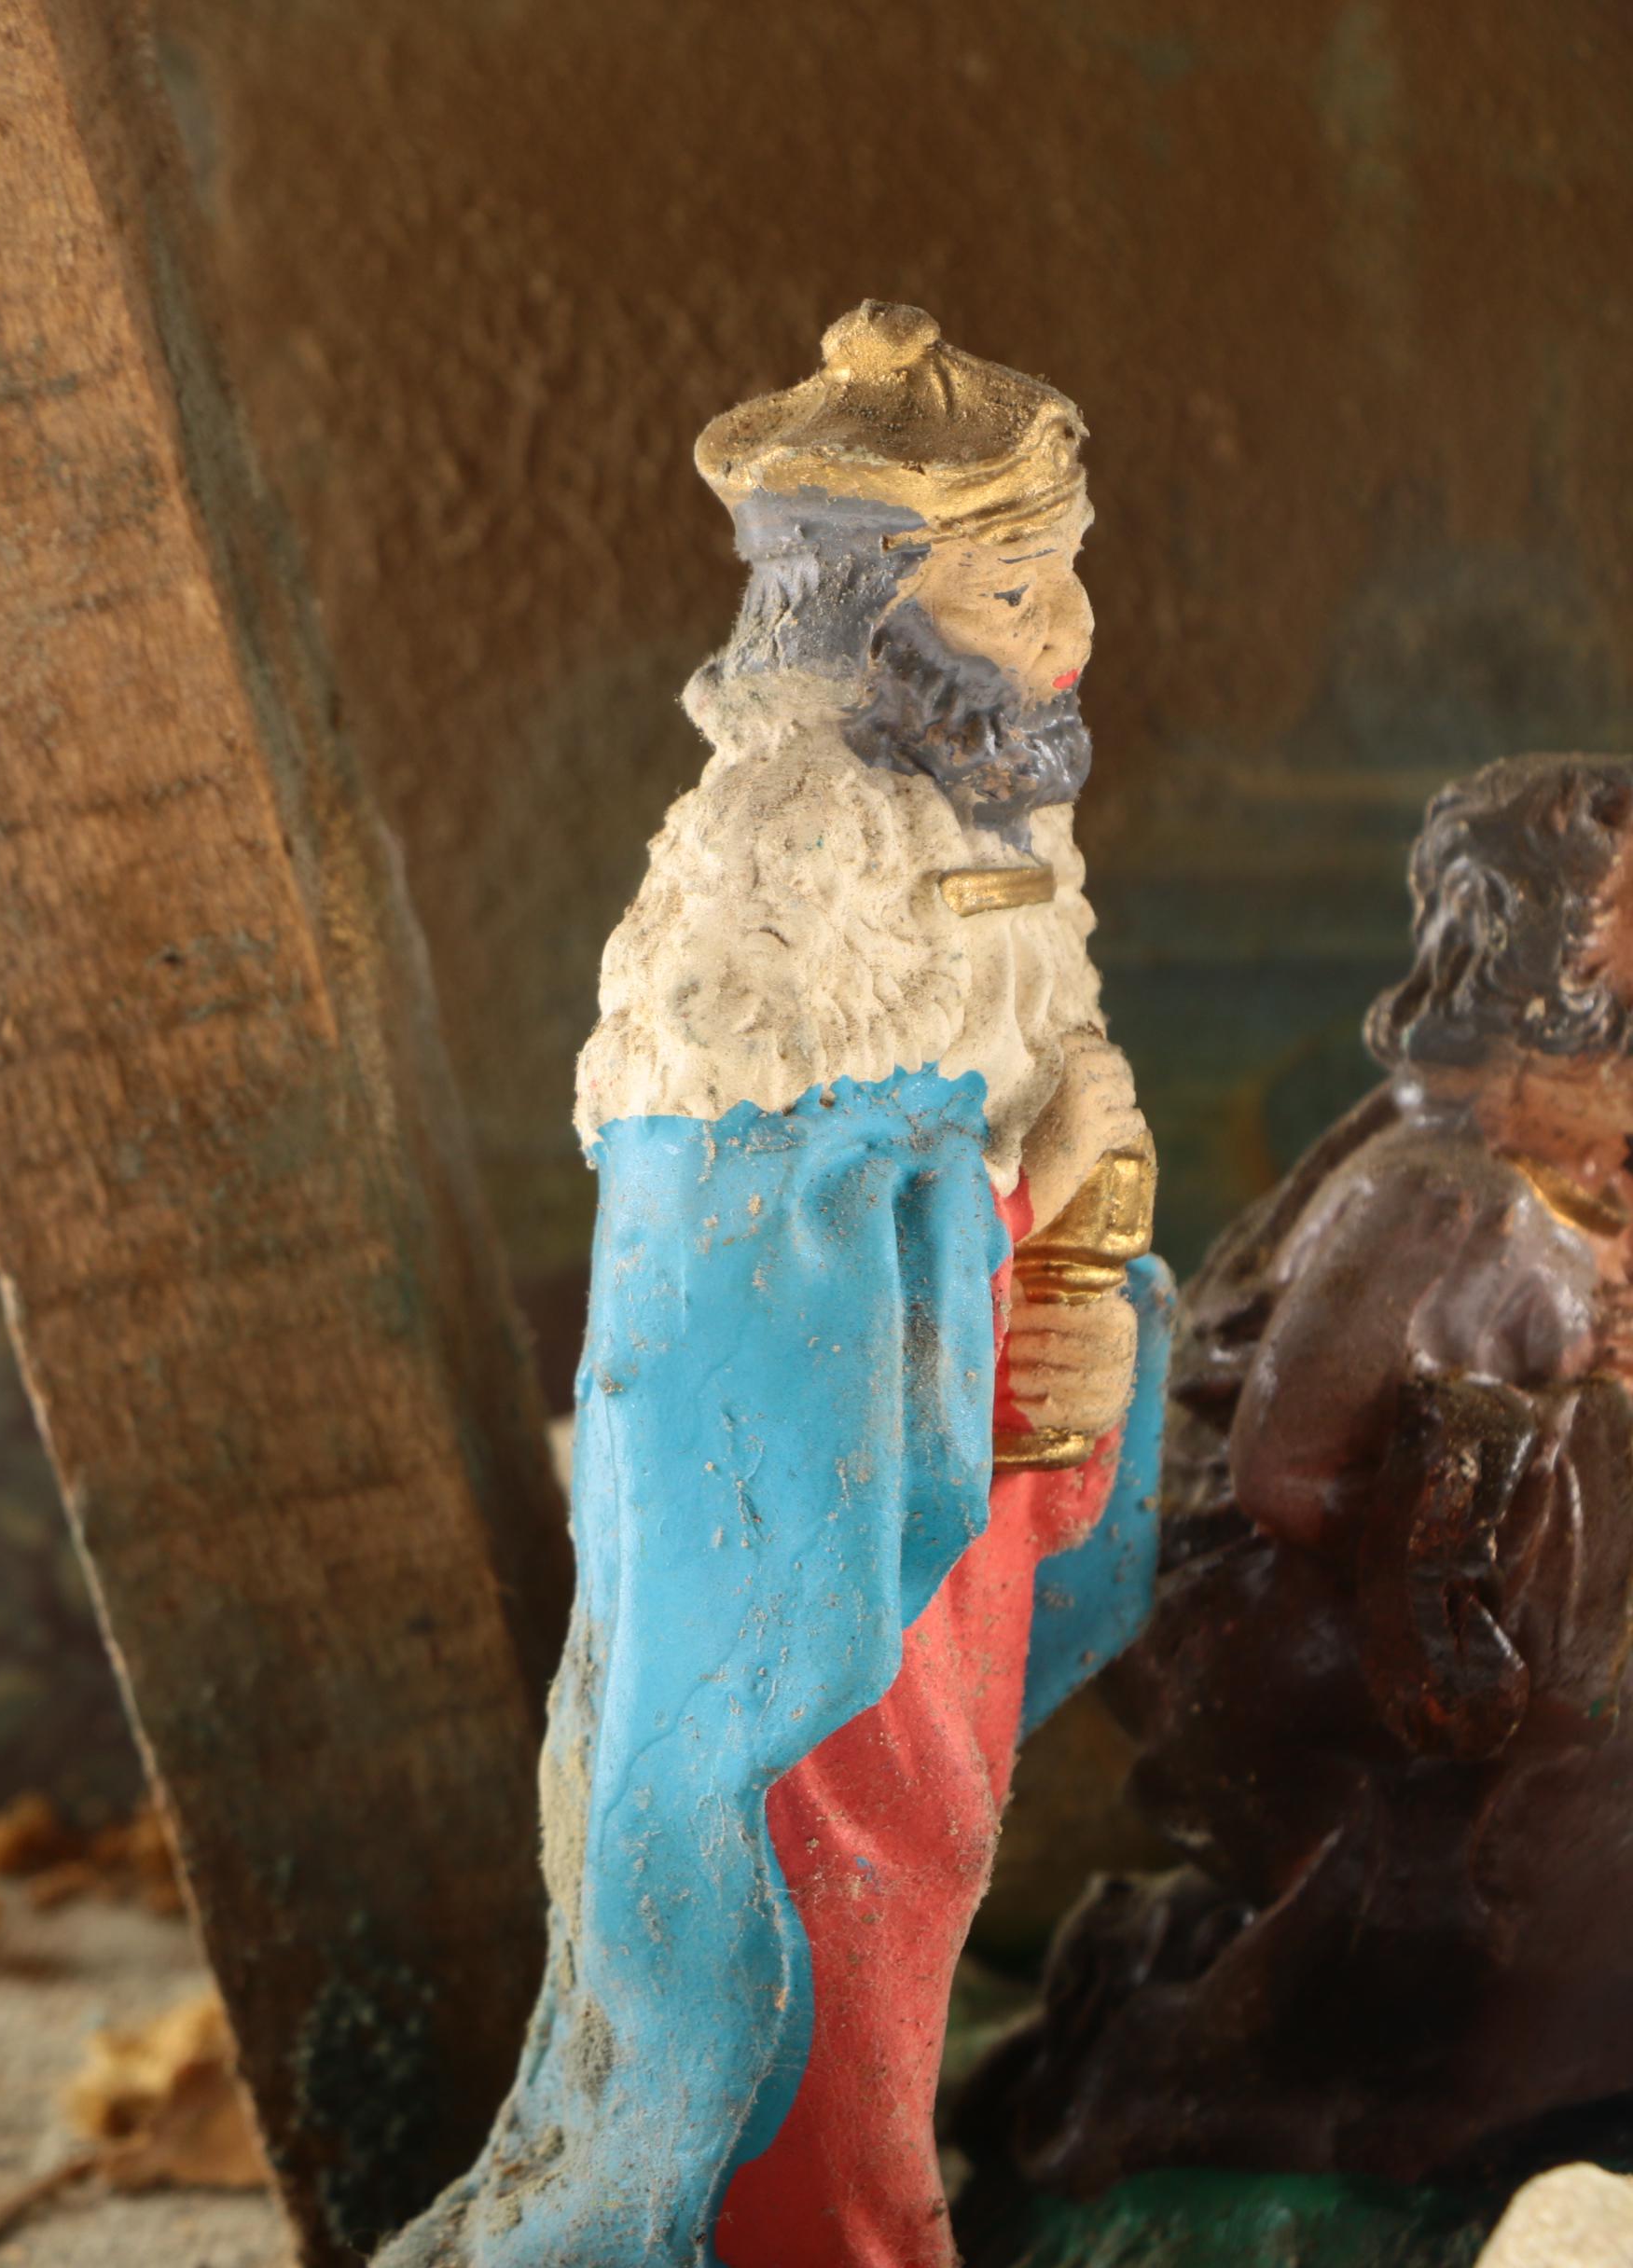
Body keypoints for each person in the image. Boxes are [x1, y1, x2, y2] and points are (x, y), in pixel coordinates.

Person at [381, 304, 1170, 2268]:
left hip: (955, 1462)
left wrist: (1086, 1199)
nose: (1063, 622)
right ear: (866, 611)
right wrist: (992, 1225)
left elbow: (1048, 1074)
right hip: (816, 1501)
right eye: (1010, 580)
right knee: (821, 1867)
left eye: (1066, 561)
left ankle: (864, 2202)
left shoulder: (999, 804)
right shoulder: (783, 846)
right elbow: (740, 1206)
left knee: (927, 1861)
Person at [976, 754, 1633, 2197]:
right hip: (1326, 1634)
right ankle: (1464, 2069)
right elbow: (1289, 1468)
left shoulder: (1561, 1171)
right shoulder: (1442, 1189)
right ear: (1547, 964)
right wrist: (1525, 1475)